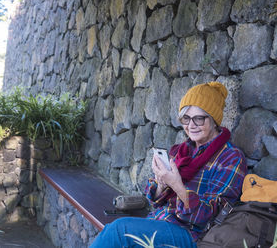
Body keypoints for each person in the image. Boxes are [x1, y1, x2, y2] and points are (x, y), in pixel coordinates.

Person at [90, 82, 247, 248]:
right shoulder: (182, 151)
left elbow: (208, 217)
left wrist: (177, 186)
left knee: (118, 231)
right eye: (186, 118)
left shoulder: (231, 158)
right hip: (161, 220)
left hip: (193, 234)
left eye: (199, 118)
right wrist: (161, 184)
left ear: (214, 120)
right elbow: (155, 202)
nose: (191, 125)